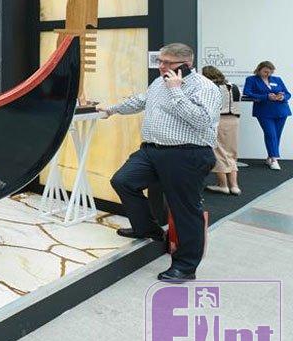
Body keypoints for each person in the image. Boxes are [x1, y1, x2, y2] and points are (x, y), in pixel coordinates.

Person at [99, 43, 221, 283]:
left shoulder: (205, 87)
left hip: (187, 154)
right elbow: (140, 101)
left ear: (186, 65)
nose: (161, 66)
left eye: (167, 63)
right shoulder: (158, 82)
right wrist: (112, 109)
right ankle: (148, 229)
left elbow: (202, 120)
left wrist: (176, 90)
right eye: (160, 61)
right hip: (152, 151)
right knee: (123, 181)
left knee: (185, 209)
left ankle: (185, 267)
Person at [243, 61, 290, 170]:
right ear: (259, 70)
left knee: (276, 135)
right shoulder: (251, 79)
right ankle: (274, 159)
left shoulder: (277, 79)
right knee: (270, 134)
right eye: (265, 71)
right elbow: (247, 92)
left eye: (270, 72)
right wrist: (266, 96)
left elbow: (287, 93)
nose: (268, 74)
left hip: (281, 111)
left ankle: (270, 157)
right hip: (264, 111)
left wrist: (282, 97)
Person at [202, 65, 241, 195]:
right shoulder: (233, 86)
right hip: (234, 120)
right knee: (231, 153)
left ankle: (223, 185)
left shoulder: (211, 87)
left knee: (218, 152)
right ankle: (234, 186)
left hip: (219, 120)